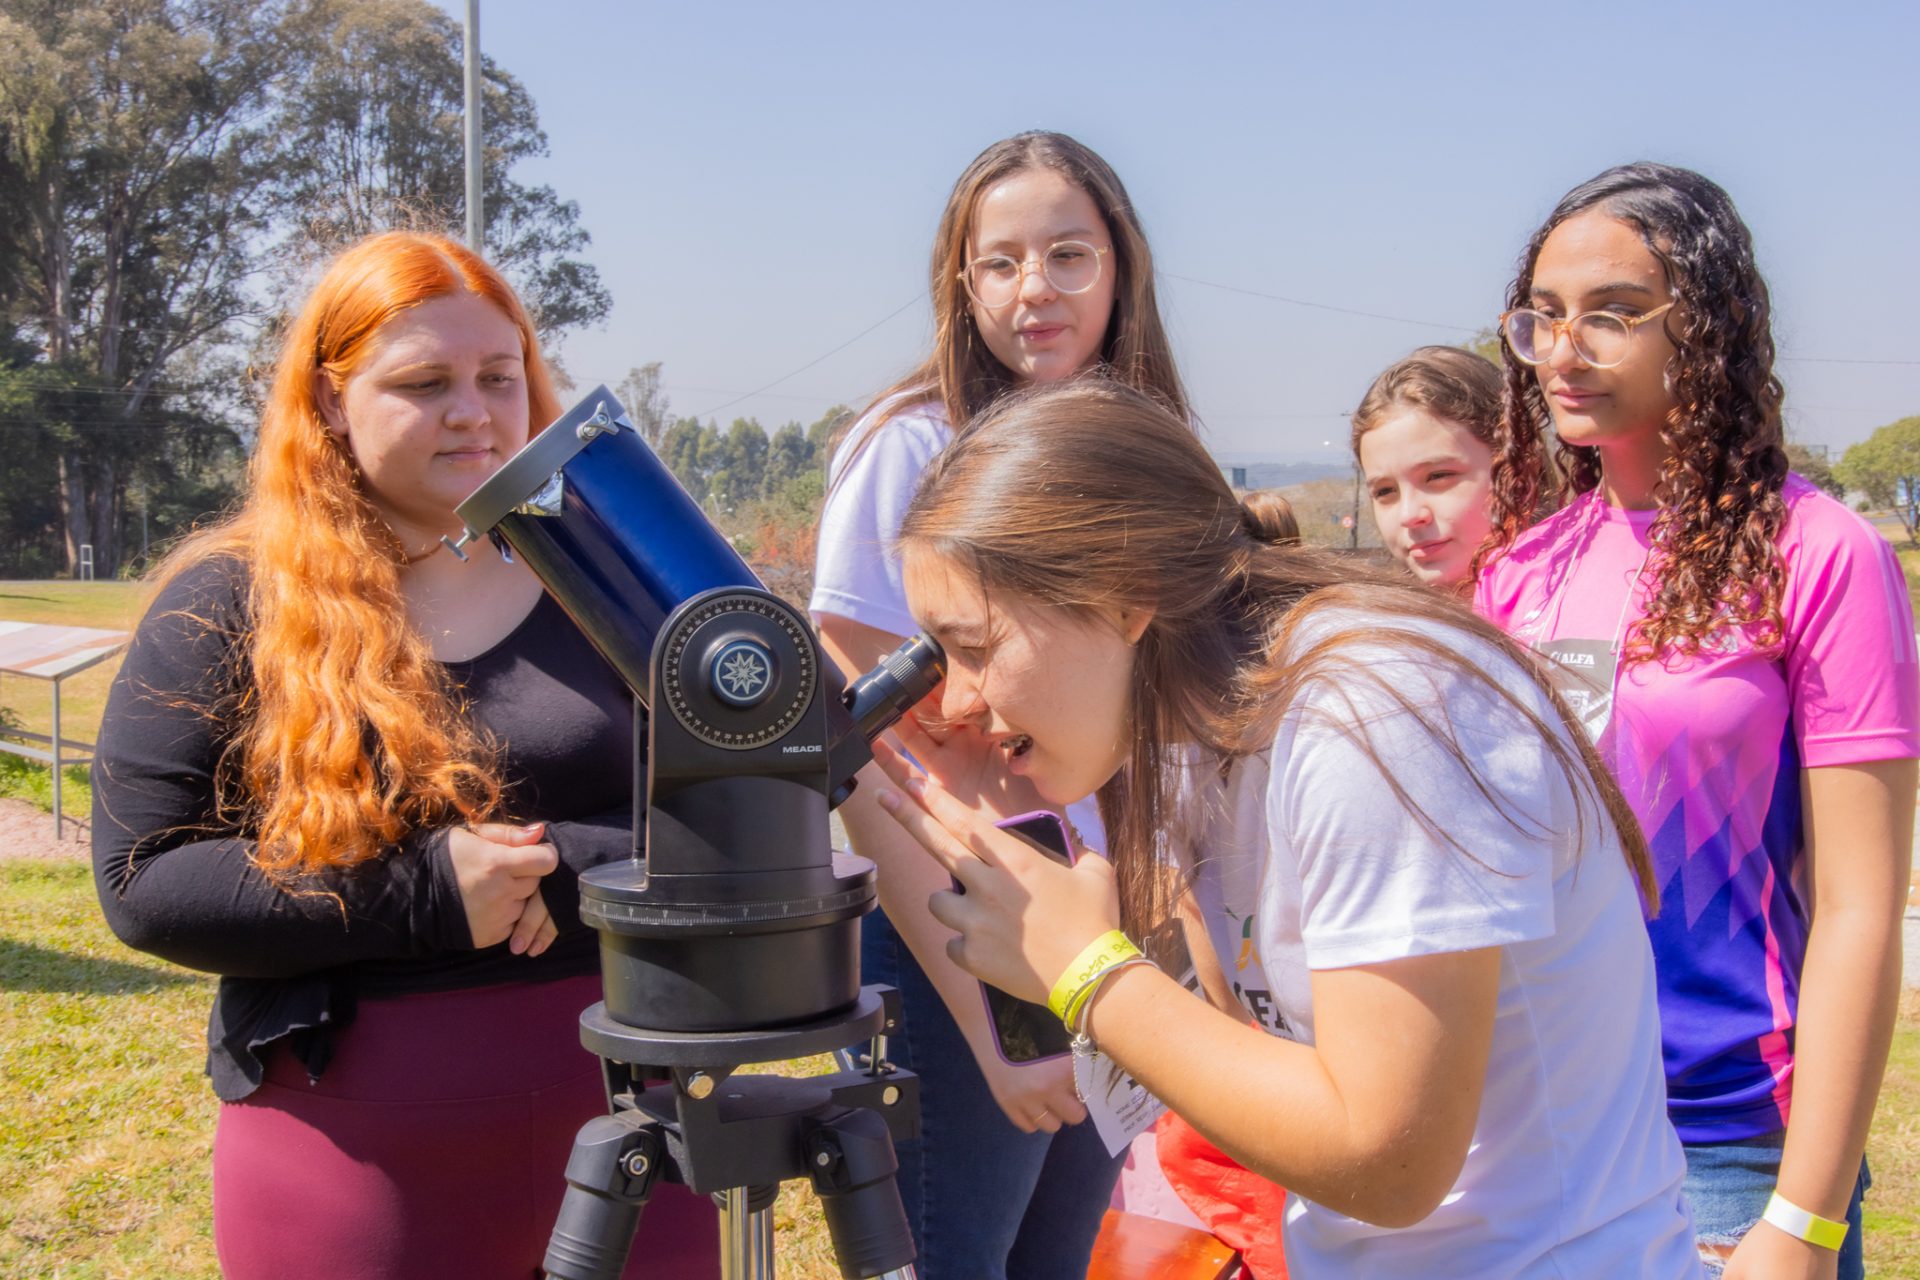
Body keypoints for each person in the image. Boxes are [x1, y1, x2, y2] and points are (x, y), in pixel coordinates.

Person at [870, 378, 1702, 1278]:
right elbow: (1229, 1056)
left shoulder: (1381, 712)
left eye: (975, 647)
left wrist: (1091, 976)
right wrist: (1007, 811)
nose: (951, 697)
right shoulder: (1195, 730)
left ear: (1124, 596)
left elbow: (1391, 1162)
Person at [89, 231, 717, 1280]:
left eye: (497, 377)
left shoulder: (611, 580)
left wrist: (564, 869)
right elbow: (143, 880)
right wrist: (424, 891)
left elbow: (747, 800)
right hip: (355, 1164)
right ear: (332, 401)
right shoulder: (229, 602)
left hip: (645, 1128)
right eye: (424, 382)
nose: (472, 410)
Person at [1475, 162, 1918, 1280]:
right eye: (1545, 317)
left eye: (1612, 315)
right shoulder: (1522, 572)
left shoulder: (1821, 555)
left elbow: (1863, 904)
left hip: (1728, 1139)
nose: (1565, 350)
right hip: (1550, 1122)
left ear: (1708, 326)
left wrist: (1807, 1217)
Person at [809, 130, 1190, 1278]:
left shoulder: (1148, 450)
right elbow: (874, 766)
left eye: (1069, 255)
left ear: (1121, 267)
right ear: (960, 284)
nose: (1036, 291)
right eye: (1000, 263)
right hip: (961, 944)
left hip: (1103, 932)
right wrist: (994, 1025)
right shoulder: (912, 446)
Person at [1351, 345, 1501, 594]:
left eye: (1439, 476)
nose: (1409, 516)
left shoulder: (1576, 614)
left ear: (1516, 468)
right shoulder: (1385, 628)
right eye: (1385, 492)